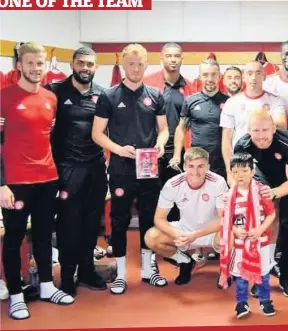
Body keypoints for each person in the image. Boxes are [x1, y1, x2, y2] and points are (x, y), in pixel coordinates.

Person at [1, 42, 75, 320]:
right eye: (30, 63)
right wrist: (1, 184)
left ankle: (46, 285)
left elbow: (49, 139)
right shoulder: (4, 98)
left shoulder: (50, 98)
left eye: (40, 63)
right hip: (16, 183)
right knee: (14, 239)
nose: (36, 68)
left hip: (47, 178)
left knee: (44, 235)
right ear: (19, 65)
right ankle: (17, 296)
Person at [92, 43, 170, 295]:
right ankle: (121, 273)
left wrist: (160, 144)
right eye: (131, 64)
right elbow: (97, 134)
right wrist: (117, 148)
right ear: (123, 65)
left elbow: (164, 130)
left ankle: (149, 269)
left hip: (149, 168)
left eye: (140, 64)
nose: (136, 68)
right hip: (121, 168)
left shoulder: (156, 95)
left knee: (150, 218)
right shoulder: (109, 95)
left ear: (147, 65)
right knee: (119, 220)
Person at [46, 46, 108, 297]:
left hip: (95, 168)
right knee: (68, 225)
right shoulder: (54, 91)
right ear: (72, 64)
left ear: (96, 67)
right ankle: (67, 274)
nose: (85, 68)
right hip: (67, 169)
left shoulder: (103, 94)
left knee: (91, 223)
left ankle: (86, 271)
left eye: (90, 64)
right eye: (81, 63)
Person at [234, 109, 288, 298]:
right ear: (249, 130)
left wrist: (274, 193)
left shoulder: (287, 142)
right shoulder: (242, 145)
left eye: (265, 130)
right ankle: (261, 276)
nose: (261, 136)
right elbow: (239, 178)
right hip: (261, 178)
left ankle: (286, 278)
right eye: (256, 131)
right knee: (259, 227)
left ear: (274, 128)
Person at [144, 147, 228, 285]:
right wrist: (176, 234)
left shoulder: (218, 182)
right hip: (185, 230)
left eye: (201, 166)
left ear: (208, 167)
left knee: (232, 234)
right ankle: (185, 261)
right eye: (191, 166)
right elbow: (159, 219)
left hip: (212, 232)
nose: (196, 172)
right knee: (151, 237)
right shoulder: (172, 184)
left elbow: (223, 219)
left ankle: (227, 271)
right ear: (184, 166)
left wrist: (195, 235)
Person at [219, 152, 277, 318]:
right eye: (235, 172)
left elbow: (271, 214)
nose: (240, 175)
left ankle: (265, 301)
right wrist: (235, 231)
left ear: (252, 171)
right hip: (239, 242)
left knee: (264, 273)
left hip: (261, 241)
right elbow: (226, 218)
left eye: (244, 170)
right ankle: (241, 303)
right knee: (240, 275)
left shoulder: (261, 191)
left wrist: (259, 229)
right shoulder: (229, 195)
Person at [143, 42, 193, 223]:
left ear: (182, 59)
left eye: (177, 56)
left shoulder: (189, 87)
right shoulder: (146, 83)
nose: (173, 59)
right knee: (150, 198)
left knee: (179, 199)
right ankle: (150, 244)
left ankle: (175, 243)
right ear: (161, 58)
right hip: (151, 151)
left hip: (179, 152)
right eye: (169, 56)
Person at [221, 61, 287, 183]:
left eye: (258, 73)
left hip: (269, 161)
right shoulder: (232, 103)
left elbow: (281, 125)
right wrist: (229, 172)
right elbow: (226, 139)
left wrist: (261, 121)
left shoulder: (276, 100)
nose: (254, 77)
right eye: (249, 73)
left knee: (270, 199)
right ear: (244, 77)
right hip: (241, 162)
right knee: (244, 200)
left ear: (264, 76)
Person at [174, 59, 230, 179]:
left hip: (222, 162)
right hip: (197, 162)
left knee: (221, 197)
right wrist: (177, 155)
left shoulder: (229, 102)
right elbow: (181, 128)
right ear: (200, 77)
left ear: (219, 76)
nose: (209, 79)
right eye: (205, 75)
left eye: (213, 74)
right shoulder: (190, 101)